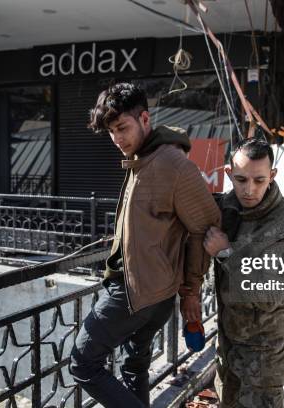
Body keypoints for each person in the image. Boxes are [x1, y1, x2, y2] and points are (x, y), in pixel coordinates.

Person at [69, 82, 220, 407]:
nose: (117, 138)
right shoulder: (143, 157)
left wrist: (191, 292)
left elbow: (205, 228)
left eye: (123, 127)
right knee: (133, 364)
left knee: (82, 363)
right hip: (148, 290)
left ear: (146, 119)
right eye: (111, 131)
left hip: (137, 292)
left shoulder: (171, 164)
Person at [202, 138, 284, 408]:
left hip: (263, 351)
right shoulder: (229, 206)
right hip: (229, 340)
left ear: (272, 176)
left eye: (259, 181)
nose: (249, 190)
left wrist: (226, 254)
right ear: (229, 174)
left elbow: (268, 293)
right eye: (240, 179)